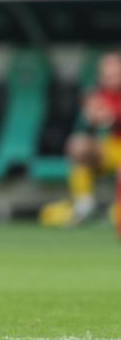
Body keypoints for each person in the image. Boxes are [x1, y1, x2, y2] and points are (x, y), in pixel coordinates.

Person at [63, 51, 121, 224]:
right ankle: (84, 204)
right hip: (112, 147)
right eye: (106, 73)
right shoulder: (97, 94)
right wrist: (94, 118)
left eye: (115, 72)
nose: (110, 77)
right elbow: (94, 123)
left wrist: (113, 117)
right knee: (78, 145)